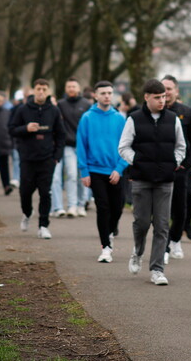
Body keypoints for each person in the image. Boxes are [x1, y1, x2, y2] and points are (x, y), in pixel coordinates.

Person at [118, 79, 186, 286]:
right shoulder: (134, 119)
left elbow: (181, 146)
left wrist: (174, 162)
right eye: (157, 97)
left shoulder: (173, 119)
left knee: (162, 225)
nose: (162, 101)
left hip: (165, 180)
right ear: (146, 97)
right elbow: (123, 147)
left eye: (164, 97)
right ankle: (137, 252)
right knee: (141, 223)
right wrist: (137, 161)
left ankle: (157, 269)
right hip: (141, 179)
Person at [76, 81, 129, 263]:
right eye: (103, 93)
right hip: (95, 170)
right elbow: (81, 145)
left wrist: (119, 168)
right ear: (96, 96)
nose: (107, 96)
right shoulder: (87, 118)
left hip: (115, 170)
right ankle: (105, 246)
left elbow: (127, 145)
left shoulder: (120, 118)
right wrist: (84, 171)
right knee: (103, 207)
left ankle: (110, 231)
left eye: (109, 93)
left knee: (118, 207)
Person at [8, 79, 66, 239]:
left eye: (44, 89)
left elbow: (61, 135)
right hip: (27, 158)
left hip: (47, 159)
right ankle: (27, 213)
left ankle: (43, 225)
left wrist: (57, 156)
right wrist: (25, 128)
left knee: (45, 193)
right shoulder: (23, 109)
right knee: (25, 192)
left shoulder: (53, 110)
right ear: (33, 90)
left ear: (48, 91)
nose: (41, 92)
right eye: (39, 89)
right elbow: (11, 129)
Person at [161, 75, 191, 262]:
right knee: (160, 210)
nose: (166, 92)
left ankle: (175, 240)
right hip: (159, 169)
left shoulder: (186, 111)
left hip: (181, 169)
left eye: (169, 88)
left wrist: (190, 160)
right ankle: (163, 245)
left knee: (180, 209)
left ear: (176, 91)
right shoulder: (155, 112)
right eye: (163, 89)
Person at [53, 77, 92, 218]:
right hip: (68, 145)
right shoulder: (60, 105)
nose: (71, 89)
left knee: (83, 176)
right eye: (69, 86)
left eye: (74, 86)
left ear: (79, 88)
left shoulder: (86, 104)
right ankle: (72, 205)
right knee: (71, 174)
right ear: (65, 88)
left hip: (84, 146)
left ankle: (82, 204)